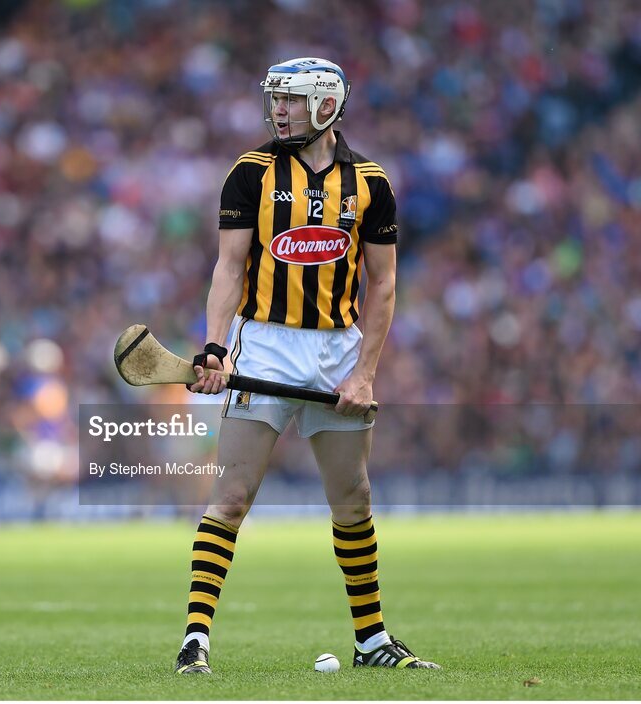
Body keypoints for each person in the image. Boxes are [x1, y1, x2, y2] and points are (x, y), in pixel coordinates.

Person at [175, 57, 440, 674]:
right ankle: (195, 641)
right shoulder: (249, 173)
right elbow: (229, 268)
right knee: (232, 496)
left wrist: (365, 372)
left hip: (337, 349)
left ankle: (372, 641)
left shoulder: (371, 183)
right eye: (276, 100)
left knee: (353, 498)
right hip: (264, 343)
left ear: (326, 105)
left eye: (291, 100)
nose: (279, 111)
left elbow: (384, 285)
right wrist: (214, 347)